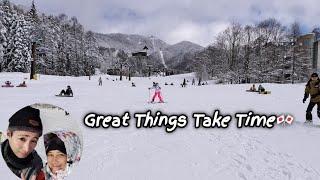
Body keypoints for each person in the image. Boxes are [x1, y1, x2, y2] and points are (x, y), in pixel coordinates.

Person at [1, 106, 44, 179]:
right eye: (22, 139)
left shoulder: (37, 165)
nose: (27, 148)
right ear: (9, 134)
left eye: (33, 141)